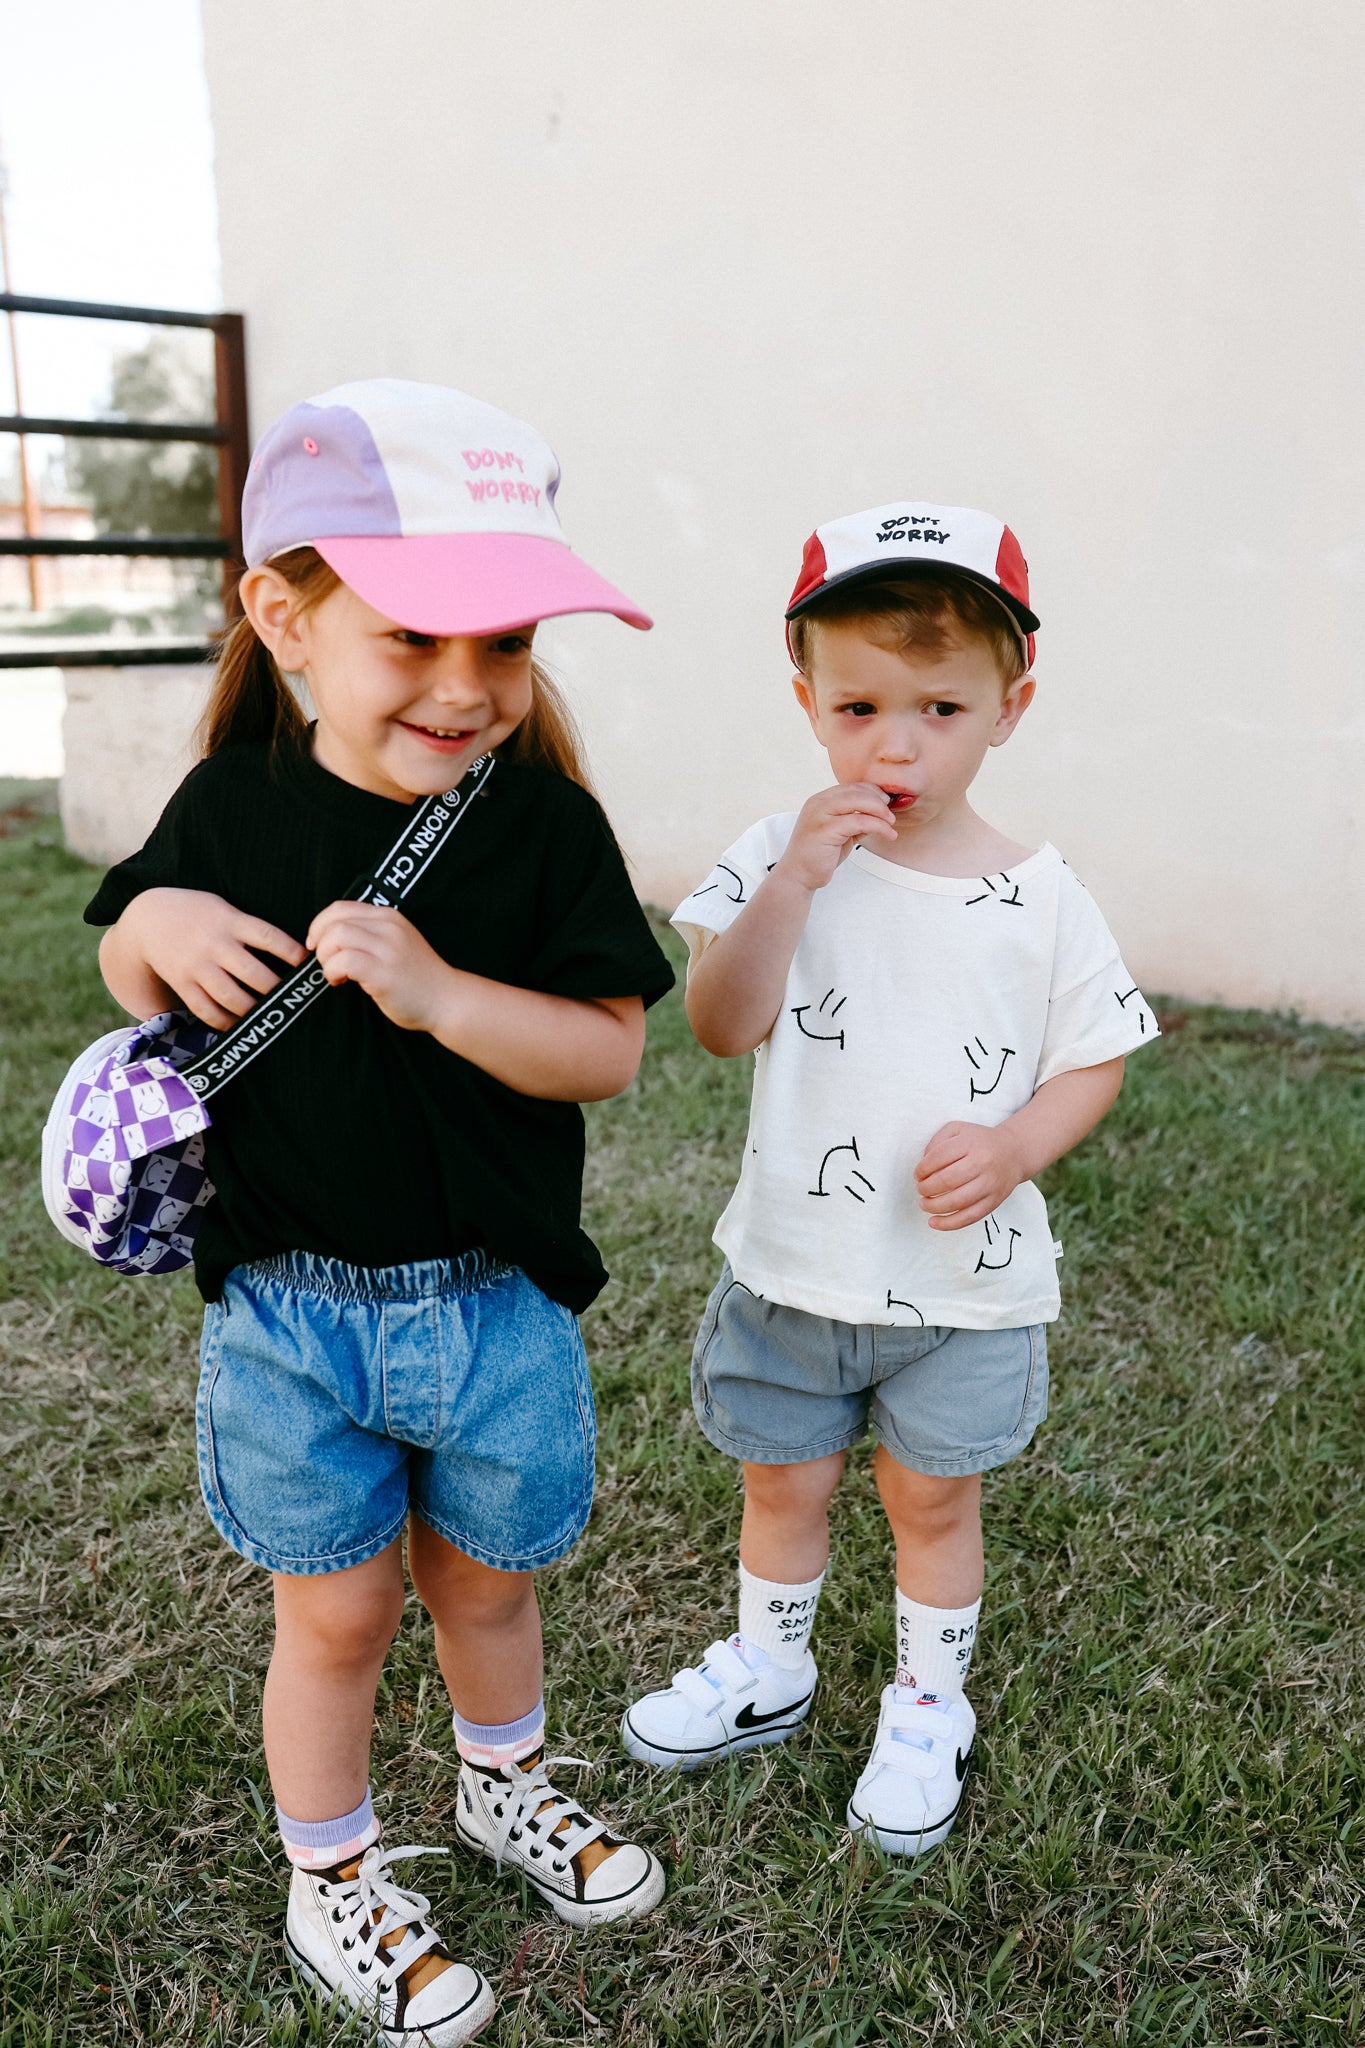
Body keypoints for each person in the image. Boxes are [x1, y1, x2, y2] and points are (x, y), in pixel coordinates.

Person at [88, 380, 674, 2045]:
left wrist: (436, 996)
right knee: (336, 1611)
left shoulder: (544, 827)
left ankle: (506, 1788)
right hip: (287, 1308)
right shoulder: (232, 804)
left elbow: (605, 1053)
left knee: (487, 1587)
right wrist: (161, 932)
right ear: (283, 613)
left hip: (493, 1304)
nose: (467, 686)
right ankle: (332, 1870)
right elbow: (127, 942)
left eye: (504, 645)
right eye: (417, 636)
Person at [621, 500, 1159, 1858]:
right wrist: (793, 881)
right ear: (805, 697)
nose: (896, 743)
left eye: (938, 707)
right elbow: (719, 1021)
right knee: (781, 1484)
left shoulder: (1042, 895)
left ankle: (928, 1702)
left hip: (957, 1287)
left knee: (932, 1498)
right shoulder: (772, 855)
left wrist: (1018, 1145)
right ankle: (770, 1661)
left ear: (1008, 707)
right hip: (793, 1268)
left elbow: (1092, 1058)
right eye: (857, 706)